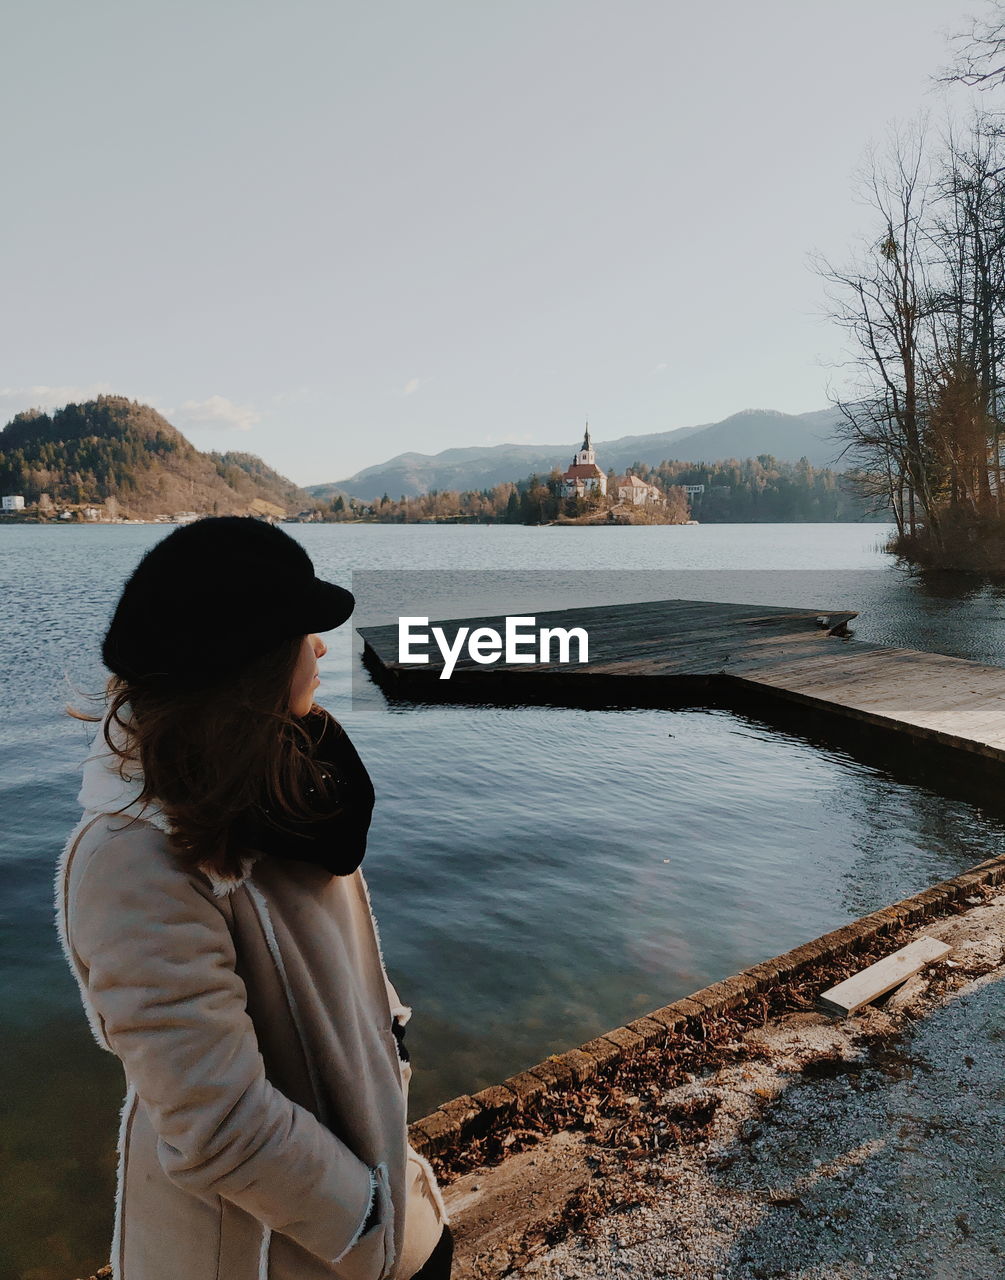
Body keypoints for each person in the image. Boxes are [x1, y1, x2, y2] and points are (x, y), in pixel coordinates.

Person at [54, 516, 453, 1280]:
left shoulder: (288, 793)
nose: (323, 648)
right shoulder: (132, 860)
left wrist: (387, 1055)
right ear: (252, 665)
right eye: (307, 633)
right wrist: (364, 1221)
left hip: (386, 1211)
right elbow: (220, 1122)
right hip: (275, 1251)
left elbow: (334, 978)